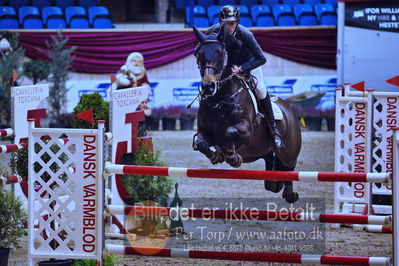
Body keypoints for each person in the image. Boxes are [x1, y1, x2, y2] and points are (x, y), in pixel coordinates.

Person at [206, 5, 284, 149]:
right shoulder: (213, 31)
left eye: (231, 23)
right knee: (209, 85)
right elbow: (205, 47)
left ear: (237, 22)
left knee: (260, 89)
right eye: (225, 23)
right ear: (220, 22)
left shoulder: (246, 34)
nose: (228, 26)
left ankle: (274, 131)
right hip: (226, 67)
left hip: (249, 64)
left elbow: (261, 58)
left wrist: (242, 69)